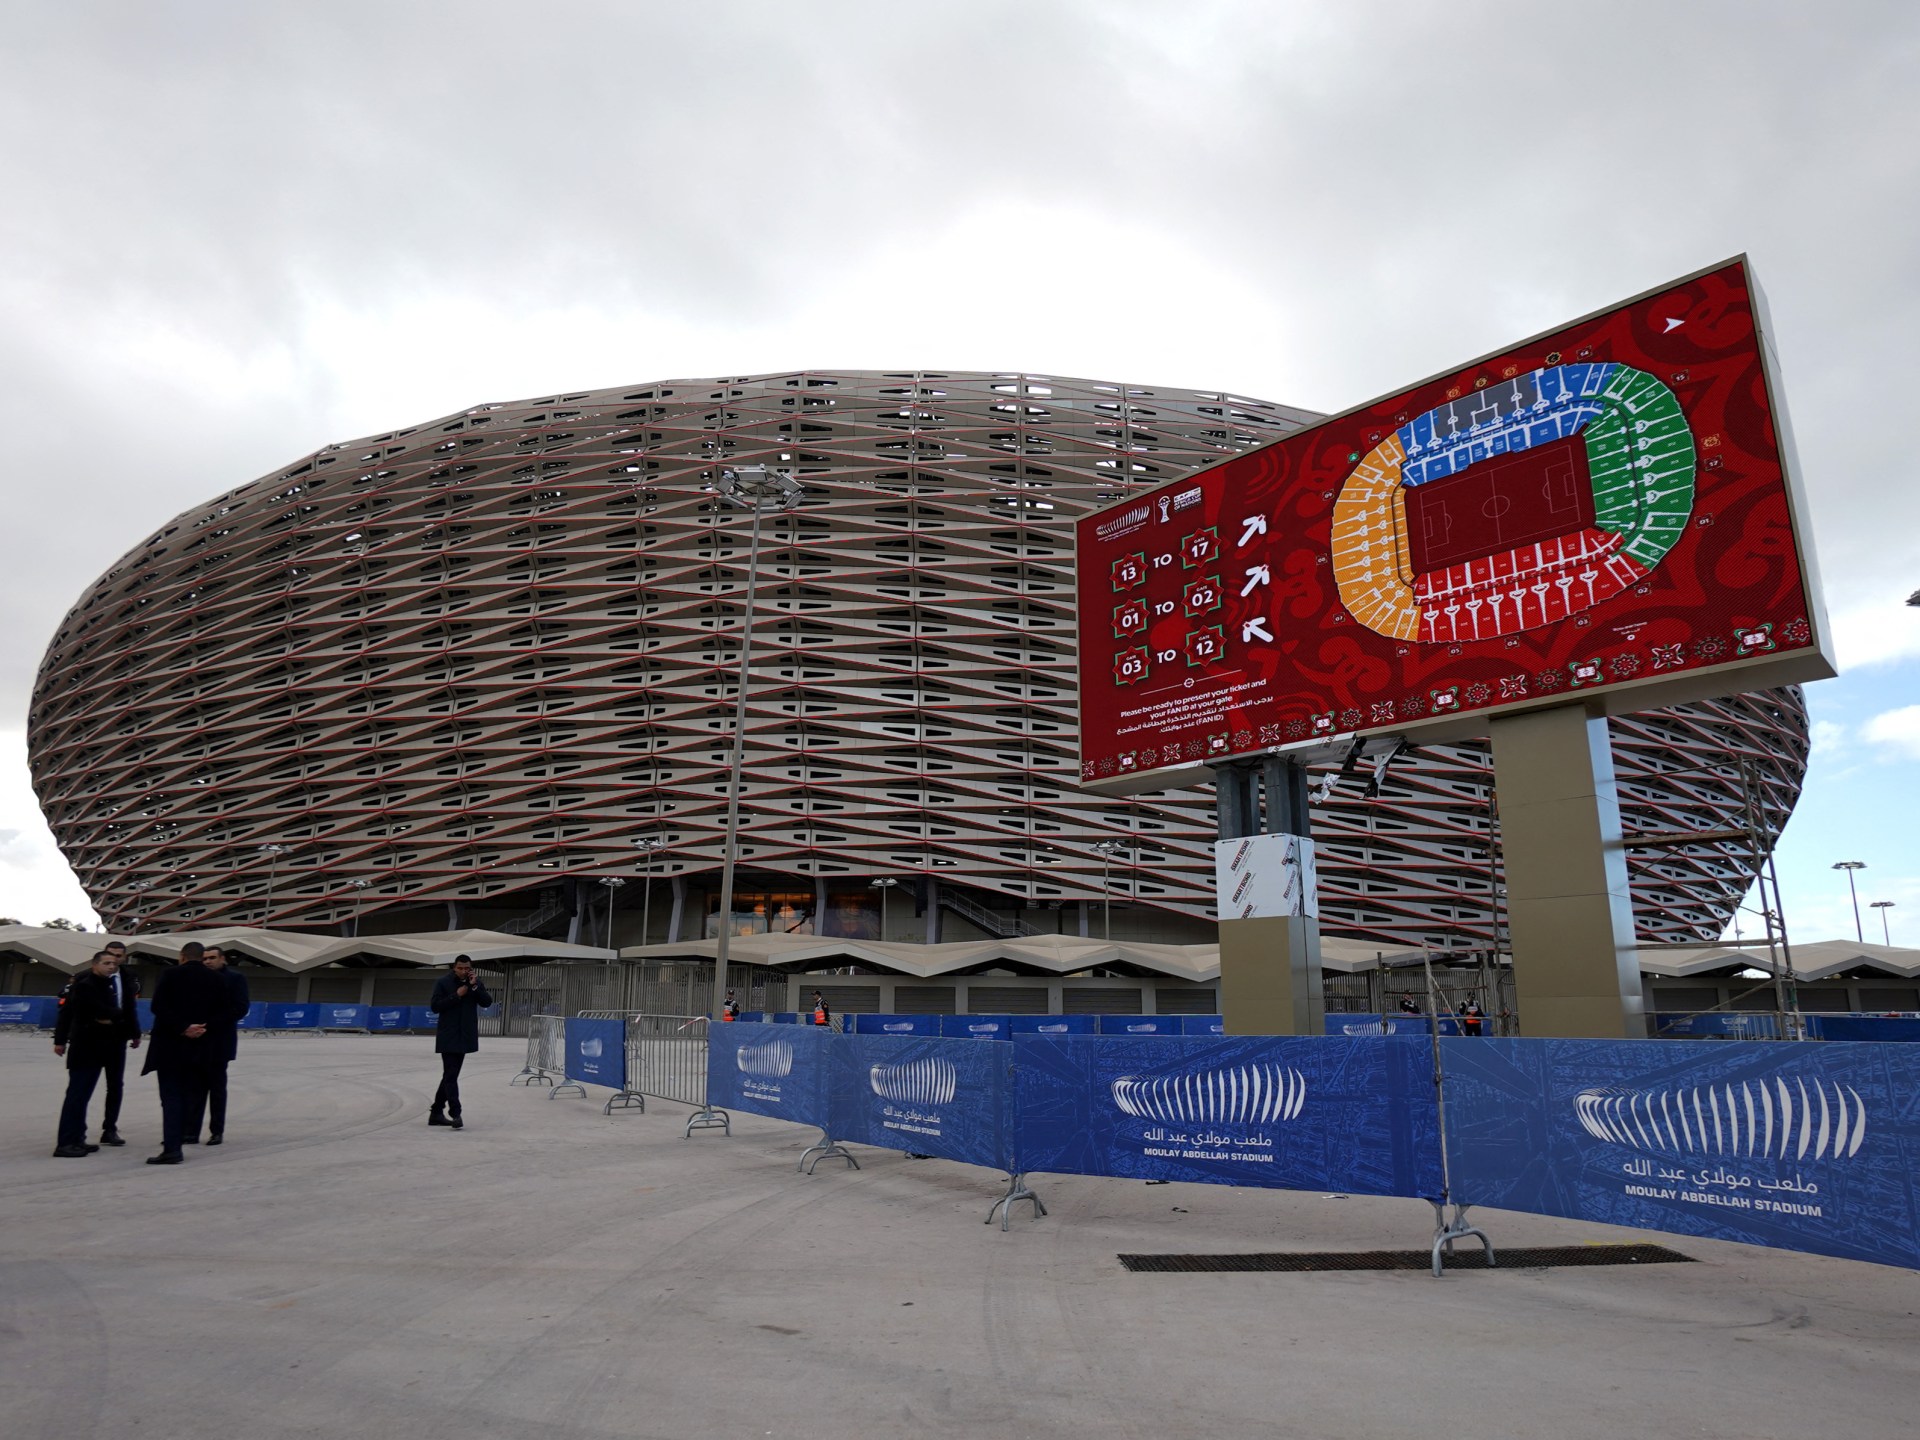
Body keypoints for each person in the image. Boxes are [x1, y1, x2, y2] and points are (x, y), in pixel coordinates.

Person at [141, 942, 231, 1164]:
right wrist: (202, 1028)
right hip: (201, 1047)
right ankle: (186, 1135)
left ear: (182, 956)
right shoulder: (217, 979)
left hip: (170, 1046)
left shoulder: (170, 975)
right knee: (192, 1094)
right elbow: (226, 1011)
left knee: (171, 1096)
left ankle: (173, 1147)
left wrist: (183, 1027)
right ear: (202, 957)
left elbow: (158, 1007)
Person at [51, 949, 143, 1156]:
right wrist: (61, 1039)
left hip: (105, 1046)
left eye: (114, 963)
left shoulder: (108, 983)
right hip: (86, 1047)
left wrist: (114, 1018)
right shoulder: (85, 985)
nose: (112, 966)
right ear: (95, 965)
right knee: (77, 1095)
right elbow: (85, 1012)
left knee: (86, 1094)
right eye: (107, 963)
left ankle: (78, 1138)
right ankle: (65, 1142)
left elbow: (117, 1012)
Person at [182, 945, 251, 1145]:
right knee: (195, 1089)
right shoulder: (196, 978)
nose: (208, 962)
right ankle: (191, 1132)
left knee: (217, 1089)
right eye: (205, 958)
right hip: (196, 1041)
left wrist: (210, 1023)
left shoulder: (235, 979)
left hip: (220, 1042)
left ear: (223, 959)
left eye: (212, 958)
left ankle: (216, 1131)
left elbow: (240, 1007)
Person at [428, 954, 492, 1129]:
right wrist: (456, 995)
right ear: (454, 968)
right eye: (460, 968)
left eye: (467, 968)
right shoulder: (443, 983)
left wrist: (475, 986)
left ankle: (436, 1112)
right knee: (451, 1075)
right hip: (448, 1035)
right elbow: (435, 1006)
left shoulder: (474, 984)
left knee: (450, 1075)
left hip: (464, 1036)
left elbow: (487, 1002)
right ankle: (455, 1113)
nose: (463, 971)